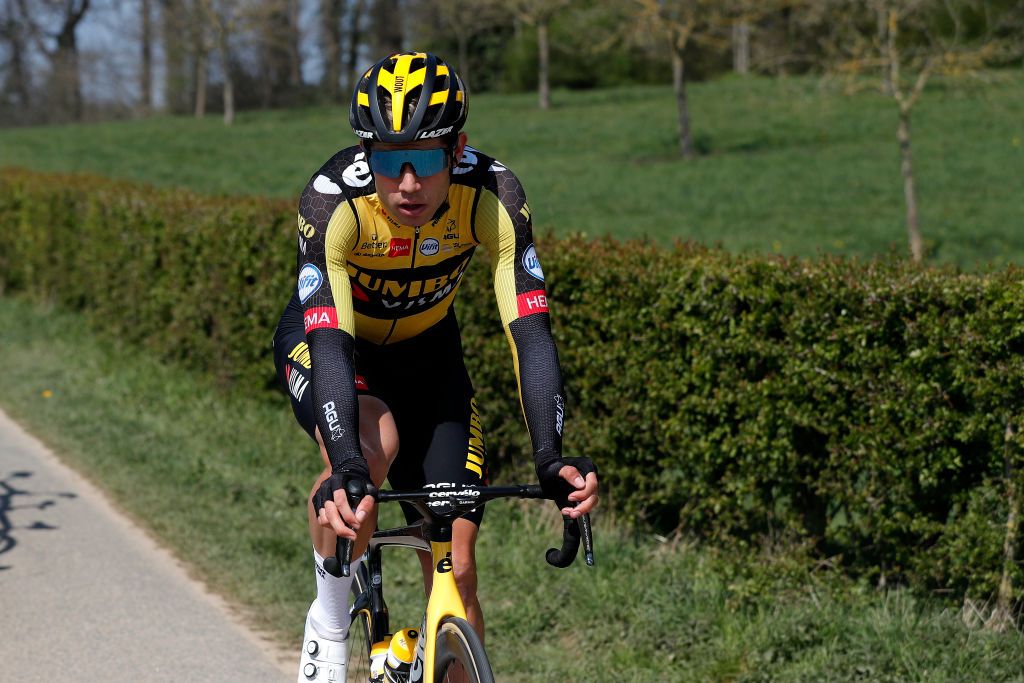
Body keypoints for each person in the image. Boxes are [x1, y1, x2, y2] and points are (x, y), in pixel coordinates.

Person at [272, 51, 599, 682]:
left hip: (429, 355)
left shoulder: (494, 195)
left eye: (424, 160)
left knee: (459, 555)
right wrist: (343, 466)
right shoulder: (331, 203)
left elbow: (529, 332)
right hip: (335, 344)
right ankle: (331, 626)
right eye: (389, 161)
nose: (408, 185)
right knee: (368, 458)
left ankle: (428, 657)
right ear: (368, 155)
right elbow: (332, 341)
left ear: (457, 151)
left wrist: (551, 454)